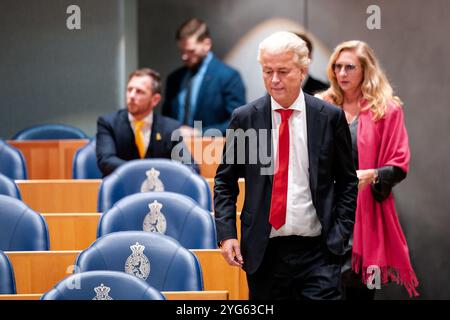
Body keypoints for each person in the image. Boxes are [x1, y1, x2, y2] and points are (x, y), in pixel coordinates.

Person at [214, 31, 358, 300]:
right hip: (263, 251)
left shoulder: (329, 117)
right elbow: (225, 181)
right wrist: (226, 233)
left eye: (283, 71)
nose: (274, 80)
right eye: (267, 71)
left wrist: (341, 231)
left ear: (303, 70)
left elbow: (348, 181)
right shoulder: (244, 118)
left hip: (319, 250)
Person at [316, 40, 419, 298]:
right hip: (324, 213)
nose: (341, 73)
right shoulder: (322, 106)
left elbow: (398, 166)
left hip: (363, 216)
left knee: (356, 290)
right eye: (337, 67)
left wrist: (371, 175)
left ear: (365, 70)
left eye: (349, 67)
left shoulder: (386, 109)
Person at [96, 68, 199, 177]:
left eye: (139, 91)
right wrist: (146, 171)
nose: (131, 96)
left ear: (155, 99)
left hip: (159, 190)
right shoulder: (108, 123)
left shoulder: (170, 128)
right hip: (122, 189)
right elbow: (106, 161)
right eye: (129, 89)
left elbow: (191, 167)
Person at [162, 18, 246, 136]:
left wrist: (199, 133)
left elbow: (239, 123)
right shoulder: (174, 78)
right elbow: (166, 119)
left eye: (190, 51)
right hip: (174, 150)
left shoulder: (229, 77)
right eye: (182, 51)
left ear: (206, 44)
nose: (184, 56)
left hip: (212, 150)